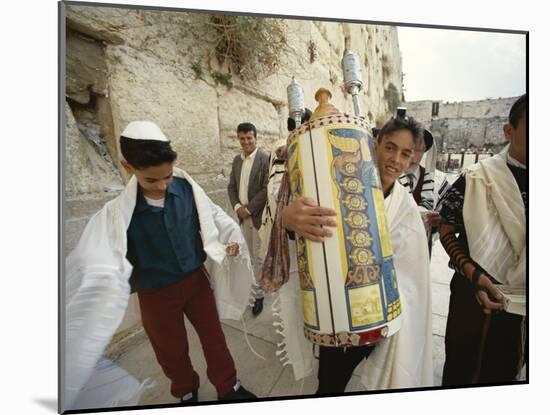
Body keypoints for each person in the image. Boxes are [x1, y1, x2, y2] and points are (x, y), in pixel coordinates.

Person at [65, 121, 256, 408]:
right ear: (127, 166)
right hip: (154, 294)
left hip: (196, 282)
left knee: (214, 337)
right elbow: (93, 256)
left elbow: (214, 215)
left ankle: (228, 385)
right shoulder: (116, 214)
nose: (163, 185)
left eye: (166, 176)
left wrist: (230, 238)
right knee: (170, 350)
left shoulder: (187, 188)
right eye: (151, 180)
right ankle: (185, 390)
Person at [264, 115, 433, 393]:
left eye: (405, 154)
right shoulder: (337, 182)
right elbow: (313, 228)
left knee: (344, 375)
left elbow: (411, 273)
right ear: (375, 143)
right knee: (329, 381)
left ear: (413, 159)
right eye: (390, 147)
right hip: (332, 307)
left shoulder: (406, 208)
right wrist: (289, 219)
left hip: (374, 315)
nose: (395, 160)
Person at [438, 94, 527, 385]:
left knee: (505, 368)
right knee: (464, 371)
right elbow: (446, 228)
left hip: (523, 304)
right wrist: (474, 275)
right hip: (472, 298)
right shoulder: (478, 177)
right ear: (509, 131)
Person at [228, 122, 270, 316]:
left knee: (258, 258)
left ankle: (259, 296)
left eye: (249, 138)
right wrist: (237, 207)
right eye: (242, 139)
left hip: (257, 217)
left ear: (255, 138)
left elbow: (266, 188)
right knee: (247, 256)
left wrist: (249, 209)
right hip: (241, 217)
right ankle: (253, 289)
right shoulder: (237, 161)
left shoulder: (264, 159)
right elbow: (231, 187)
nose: (246, 142)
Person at [398, 128, 440, 254]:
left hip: (420, 251)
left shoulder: (435, 182)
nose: (413, 156)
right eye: (409, 149)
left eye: (419, 150)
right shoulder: (385, 176)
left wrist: (436, 223)